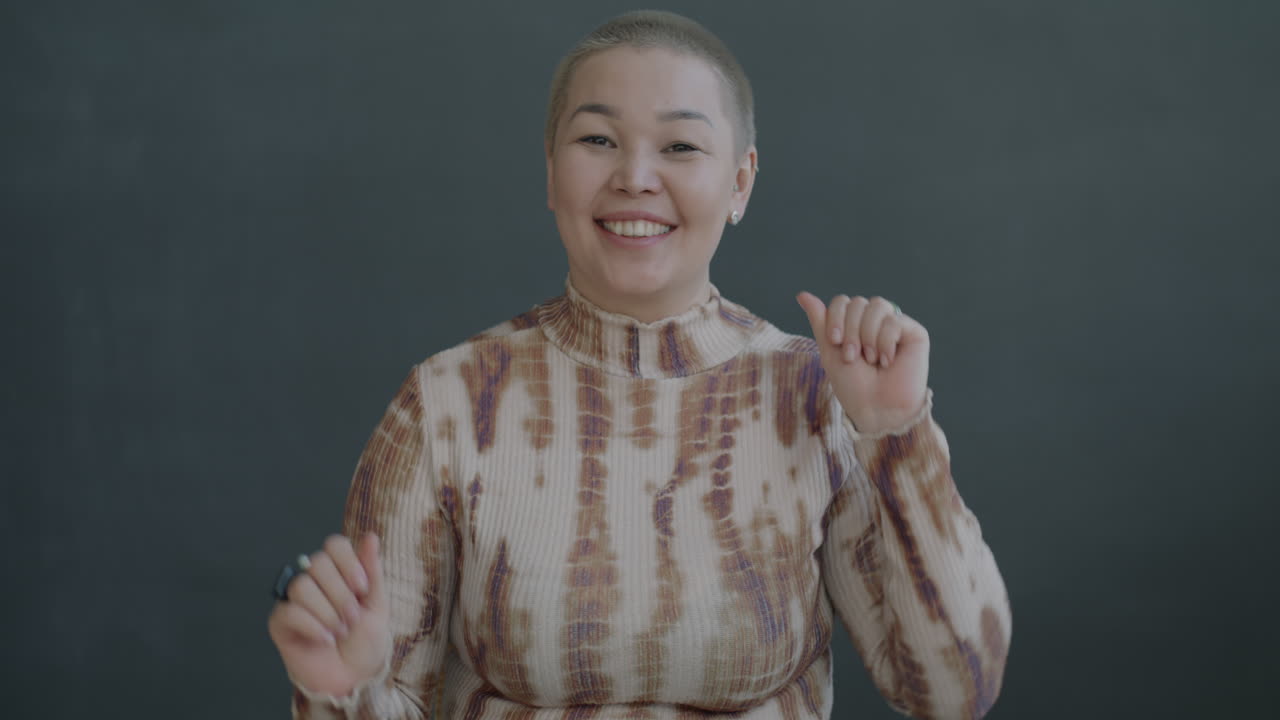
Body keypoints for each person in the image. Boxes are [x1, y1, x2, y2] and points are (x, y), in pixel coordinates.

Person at [267, 10, 1011, 719]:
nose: (635, 177)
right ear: (551, 173)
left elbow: (953, 693)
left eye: (681, 147)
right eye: (597, 140)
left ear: (741, 181)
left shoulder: (814, 395)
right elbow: (380, 701)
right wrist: (345, 689)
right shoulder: (448, 402)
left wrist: (894, 434)